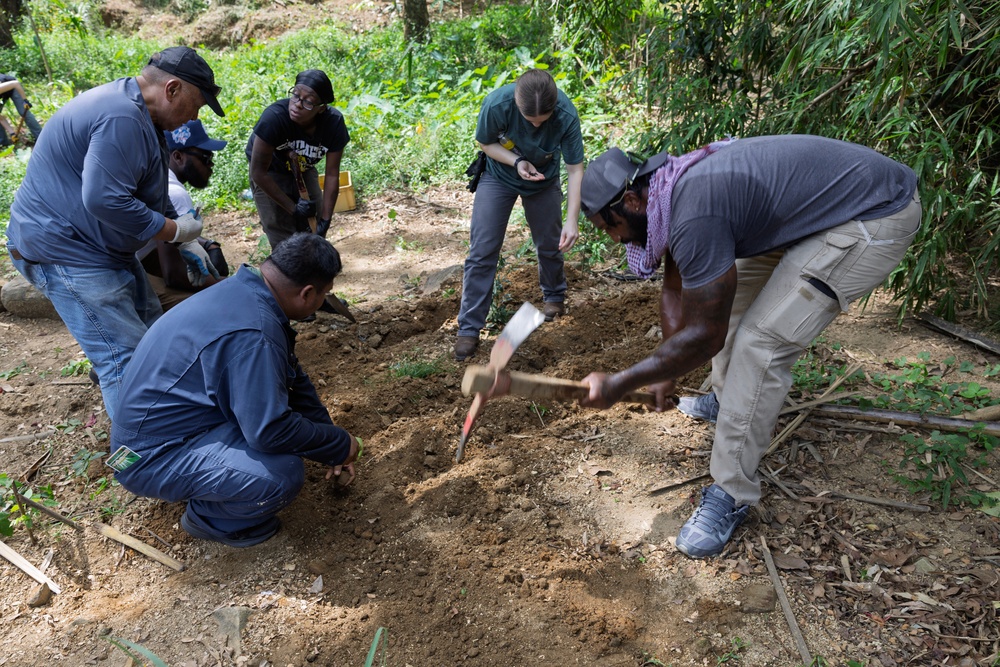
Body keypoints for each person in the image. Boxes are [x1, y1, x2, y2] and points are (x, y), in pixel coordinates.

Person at [578, 135, 921, 559]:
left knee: (761, 345)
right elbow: (675, 289)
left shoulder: (693, 212)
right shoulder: (668, 191)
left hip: (871, 216)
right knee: (730, 297)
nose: (613, 239)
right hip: (822, 210)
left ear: (630, 200)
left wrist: (620, 383)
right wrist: (665, 372)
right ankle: (729, 401)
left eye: (609, 226)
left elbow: (705, 334)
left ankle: (732, 492)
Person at [6, 46, 224, 422]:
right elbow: (104, 199)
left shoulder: (143, 116)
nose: (195, 115)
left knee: (154, 333)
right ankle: (143, 455)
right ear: (172, 89)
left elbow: (148, 185)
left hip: (101, 251)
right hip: (66, 251)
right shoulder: (120, 116)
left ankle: (175, 419)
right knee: (124, 357)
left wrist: (179, 230)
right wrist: (172, 229)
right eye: (197, 105)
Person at [110, 233, 360, 547]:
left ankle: (207, 479)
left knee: (274, 423)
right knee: (281, 474)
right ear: (307, 293)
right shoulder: (256, 332)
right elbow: (269, 431)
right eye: (325, 294)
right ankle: (212, 520)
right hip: (146, 458)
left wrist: (330, 442)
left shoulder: (244, 294)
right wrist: (339, 443)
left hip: (153, 436)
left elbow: (294, 381)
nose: (323, 301)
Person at [454, 68, 584, 361]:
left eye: (543, 120)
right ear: (516, 102)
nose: (537, 125)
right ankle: (470, 329)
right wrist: (518, 161)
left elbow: (575, 169)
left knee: (551, 242)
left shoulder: (565, 114)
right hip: (499, 174)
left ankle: (554, 297)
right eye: (530, 120)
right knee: (483, 249)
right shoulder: (497, 104)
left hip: (545, 179)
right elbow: (486, 143)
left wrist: (572, 219)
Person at [246, 69, 349, 249]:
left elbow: (332, 175)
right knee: (281, 231)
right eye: (295, 95)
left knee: (312, 226)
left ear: (321, 108)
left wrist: (325, 219)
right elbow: (258, 173)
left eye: (308, 101)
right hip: (270, 170)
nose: (298, 104)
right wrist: (293, 208)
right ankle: (285, 272)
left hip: (303, 166)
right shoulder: (274, 118)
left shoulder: (333, 124)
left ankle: (312, 273)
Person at [139, 119, 230, 309]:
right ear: (178, 157)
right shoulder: (174, 193)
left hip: (133, 265)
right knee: (216, 305)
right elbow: (173, 274)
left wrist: (208, 244)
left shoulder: (157, 180)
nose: (211, 165)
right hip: (123, 277)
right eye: (205, 158)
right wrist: (228, 287)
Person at [0, 73, 43, 146]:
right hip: (4, 92)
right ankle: (4, 143)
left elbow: (15, 84)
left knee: (23, 112)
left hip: (13, 87)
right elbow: (1, 118)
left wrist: (25, 100)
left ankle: (41, 138)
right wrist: (12, 133)